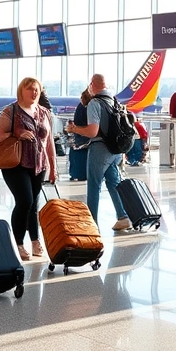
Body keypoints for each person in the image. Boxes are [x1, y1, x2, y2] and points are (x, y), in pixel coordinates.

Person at [0, 77, 56, 259]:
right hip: (15, 163)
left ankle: (35, 241)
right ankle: (19, 243)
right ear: (21, 91)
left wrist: (53, 166)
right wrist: (16, 133)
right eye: (29, 89)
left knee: (34, 204)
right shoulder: (11, 111)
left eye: (36, 89)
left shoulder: (44, 112)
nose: (34, 92)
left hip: (39, 164)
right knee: (25, 201)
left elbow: (49, 141)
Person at [66, 74, 130, 232]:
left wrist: (74, 129)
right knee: (113, 182)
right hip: (115, 149)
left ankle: (92, 222)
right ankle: (123, 216)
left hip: (100, 147)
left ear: (92, 85)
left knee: (94, 185)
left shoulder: (95, 102)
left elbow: (93, 131)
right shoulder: (113, 100)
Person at [68, 89, 92, 181]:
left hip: (78, 136)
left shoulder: (80, 106)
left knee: (76, 157)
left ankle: (75, 174)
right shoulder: (90, 107)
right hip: (87, 137)